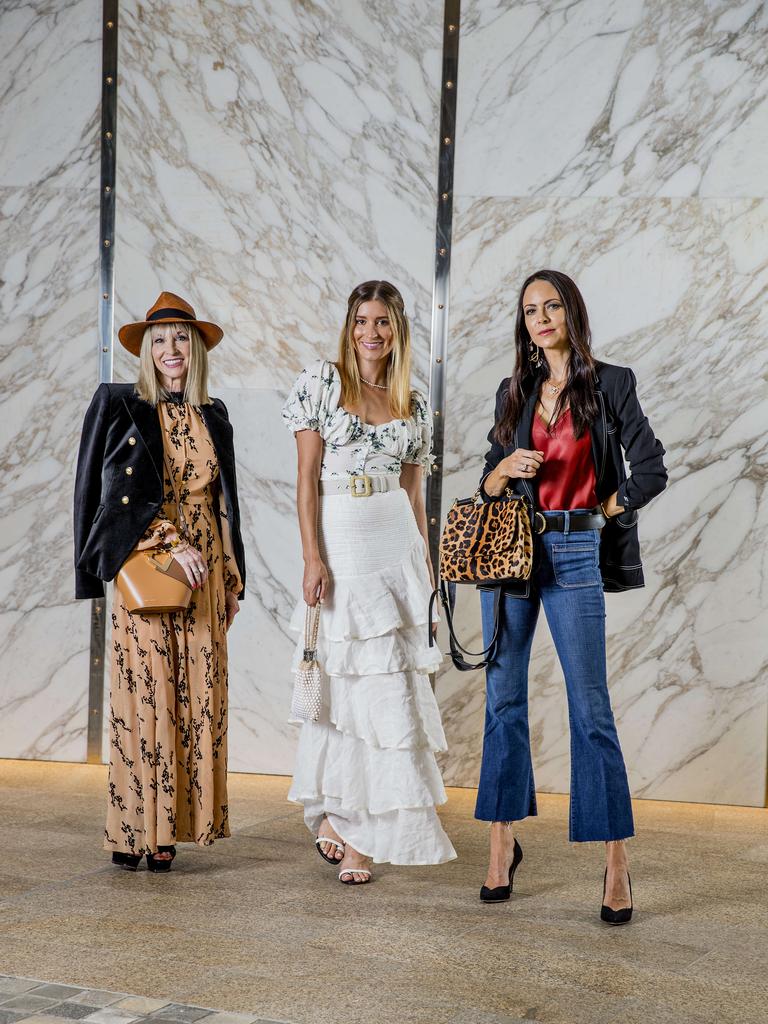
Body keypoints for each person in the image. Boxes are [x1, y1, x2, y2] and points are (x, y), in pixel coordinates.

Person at [476, 269, 666, 922]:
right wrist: (502, 469)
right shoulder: (513, 390)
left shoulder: (611, 383)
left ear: (571, 312)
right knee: (502, 700)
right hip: (511, 554)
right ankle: (501, 842)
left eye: (552, 304)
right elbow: (487, 483)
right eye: (530, 309)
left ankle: (616, 859)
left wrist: (600, 509)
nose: (541, 316)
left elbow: (652, 468)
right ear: (523, 323)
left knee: (590, 707)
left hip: (577, 549)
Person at [282, 280, 456, 885]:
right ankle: (342, 818)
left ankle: (358, 829)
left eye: (383, 322)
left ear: (398, 328)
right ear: (349, 325)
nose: (371, 332)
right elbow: (305, 480)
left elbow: (414, 496)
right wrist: (312, 556)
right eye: (362, 321)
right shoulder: (321, 382)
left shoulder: (411, 397)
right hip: (341, 535)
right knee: (346, 682)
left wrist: (426, 579)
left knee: (387, 686)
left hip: (393, 540)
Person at [74, 291, 245, 872]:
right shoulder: (125, 408)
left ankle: (168, 829)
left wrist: (231, 576)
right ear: (147, 352)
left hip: (207, 572)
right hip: (150, 561)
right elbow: (109, 498)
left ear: (195, 350)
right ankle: (133, 829)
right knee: (145, 697)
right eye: (161, 341)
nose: (172, 350)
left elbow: (225, 504)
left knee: (193, 697)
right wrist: (172, 546)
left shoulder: (214, 414)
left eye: (181, 339)